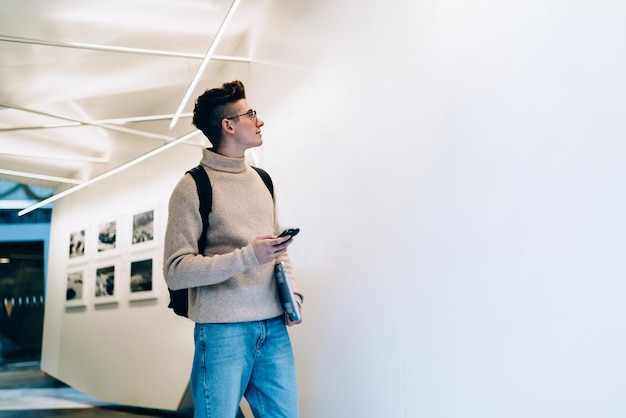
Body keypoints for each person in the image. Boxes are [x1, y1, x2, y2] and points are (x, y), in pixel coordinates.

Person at [163, 79, 303, 418]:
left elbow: (276, 250)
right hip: (222, 332)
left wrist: (292, 295)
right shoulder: (193, 186)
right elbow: (176, 270)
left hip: (273, 327)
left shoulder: (262, 180)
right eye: (250, 114)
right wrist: (248, 256)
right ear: (228, 125)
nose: (260, 120)